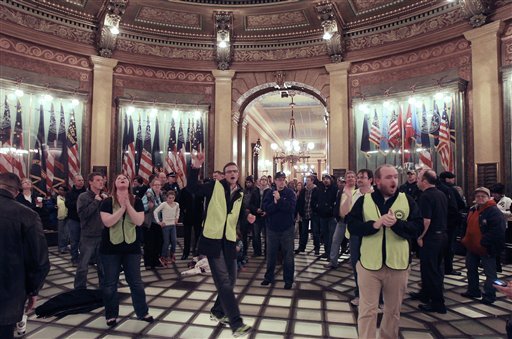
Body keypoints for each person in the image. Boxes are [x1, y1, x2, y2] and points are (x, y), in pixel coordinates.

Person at [346, 164, 422, 339]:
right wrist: (375, 224)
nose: (394, 180)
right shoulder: (364, 200)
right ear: (378, 181)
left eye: (395, 176)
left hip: (398, 265)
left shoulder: (407, 200)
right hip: (369, 265)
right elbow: (353, 226)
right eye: (389, 177)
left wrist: (397, 224)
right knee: (367, 310)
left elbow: (417, 228)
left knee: (393, 311)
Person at [188, 153, 254, 337]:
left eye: (235, 171)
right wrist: (195, 167)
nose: (232, 173)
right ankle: (236, 323)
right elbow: (192, 187)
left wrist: (248, 217)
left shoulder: (240, 193)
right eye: (229, 171)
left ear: (238, 174)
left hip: (229, 241)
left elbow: (238, 215)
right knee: (224, 282)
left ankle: (218, 311)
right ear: (224, 175)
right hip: (212, 240)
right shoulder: (214, 186)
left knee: (231, 280)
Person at [0, 173, 50, 339]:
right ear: (16, 192)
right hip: (9, 290)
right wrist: (33, 290)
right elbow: (39, 259)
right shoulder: (27, 215)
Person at [99, 174, 153, 327]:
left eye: (125, 178)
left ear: (129, 183)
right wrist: (121, 208)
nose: (122, 179)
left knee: (136, 283)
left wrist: (128, 205)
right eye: (118, 178)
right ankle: (111, 315)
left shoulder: (136, 201)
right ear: (114, 183)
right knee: (110, 284)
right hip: (110, 249)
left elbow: (139, 221)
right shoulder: (107, 202)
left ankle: (142, 312)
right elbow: (108, 222)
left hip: (132, 248)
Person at [460, 187, 506, 304]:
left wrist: (484, 242)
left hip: (486, 248)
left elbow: (498, 231)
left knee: (490, 273)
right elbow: (466, 224)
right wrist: (464, 238)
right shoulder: (473, 209)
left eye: (483, 196)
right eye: (478, 196)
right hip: (472, 247)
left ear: (488, 197)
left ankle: (489, 295)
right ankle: (473, 290)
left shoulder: (493, 211)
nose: (480, 198)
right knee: (471, 269)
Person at [412, 169, 448, 314]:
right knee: (433, 269)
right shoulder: (441, 194)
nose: (417, 181)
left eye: (419, 178)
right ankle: (425, 294)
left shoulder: (426, 196)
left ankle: (438, 303)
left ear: (425, 181)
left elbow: (426, 221)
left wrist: (420, 237)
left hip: (431, 238)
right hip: (442, 237)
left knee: (431, 271)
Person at [261, 171, 297, 289]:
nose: (281, 182)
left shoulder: (290, 193)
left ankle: (288, 280)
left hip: (287, 229)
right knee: (271, 254)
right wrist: (276, 204)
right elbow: (266, 209)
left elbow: (290, 209)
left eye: (283, 179)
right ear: (275, 181)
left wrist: (279, 200)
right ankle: (268, 277)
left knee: (288, 255)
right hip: (272, 229)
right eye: (279, 179)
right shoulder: (269, 193)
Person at [74, 172, 108, 290]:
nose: (101, 182)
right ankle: (79, 290)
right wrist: (96, 201)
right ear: (90, 182)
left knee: (103, 266)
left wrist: (106, 202)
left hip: (103, 235)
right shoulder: (83, 197)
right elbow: (83, 215)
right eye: (98, 180)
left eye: (102, 180)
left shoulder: (105, 196)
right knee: (83, 265)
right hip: (88, 236)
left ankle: (103, 290)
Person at [325, 171, 355, 269]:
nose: (350, 178)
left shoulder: (358, 190)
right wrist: (336, 214)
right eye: (348, 177)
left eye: (352, 177)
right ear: (345, 179)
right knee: (335, 240)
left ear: (355, 178)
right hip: (341, 220)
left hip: (352, 221)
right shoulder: (341, 190)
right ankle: (333, 261)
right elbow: (338, 203)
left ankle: (352, 262)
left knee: (352, 242)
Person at [312, 174, 338, 259]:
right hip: (322, 215)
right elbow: (316, 199)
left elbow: (336, 201)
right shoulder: (320, 189)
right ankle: (327, 252)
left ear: (330, 180)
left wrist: (332, 209)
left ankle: (332, 254)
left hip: (331, 216)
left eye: (327, 179)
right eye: (324, 179)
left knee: (332, 236)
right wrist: (317, 207)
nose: (325, 180)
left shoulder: (334, 189)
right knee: (325, 235)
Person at [153, 190, 180, 266]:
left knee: (174, 241)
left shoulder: (177, 204)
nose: (171, 199)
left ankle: (172, 254)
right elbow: (155, 211)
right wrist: (159, 222)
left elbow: (178, 211)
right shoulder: (164, 204)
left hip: (173, 225)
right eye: (169, 198)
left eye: (172, 198)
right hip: (165, 226)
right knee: (166, 242)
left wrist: (177, 218)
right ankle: (163, 257)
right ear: (166, 198)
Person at [142, 178, 164, 269]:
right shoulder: (148, 194)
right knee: (149, 243)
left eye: (159, 185)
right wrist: (148, 206)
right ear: (152, 186)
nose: (158, 187)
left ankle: (155, 260)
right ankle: (148, 263)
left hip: (158, 222)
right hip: (150, 223)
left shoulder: (161, 195)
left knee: (159, 242)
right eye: (156, 185)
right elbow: (142, 207)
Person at [66, 175, 86, 266]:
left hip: (85, 220)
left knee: (84, 241)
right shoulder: (69, 193)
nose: (81, 182)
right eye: (79, 180)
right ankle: (74, 258)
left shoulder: (87, 192)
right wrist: (80, 203)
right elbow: (68, 204)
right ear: (74, 182)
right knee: (74, 241)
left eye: (82, 180)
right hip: (74, 219)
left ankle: (85, 258)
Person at [249, 176, 271, 257]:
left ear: (267, 182)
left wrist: (266, 211)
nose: (264, 181)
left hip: (266, 217)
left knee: (266, 236)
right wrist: (256, 209)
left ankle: (267, 252)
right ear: (260, 181)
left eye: (265, 180)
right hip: (256, 216)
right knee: (256, 235)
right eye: (262, 180)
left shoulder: (270, 191)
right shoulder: (255, 191)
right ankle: (257, 252)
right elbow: (251, 204)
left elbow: (271, 204)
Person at [295, 175, 317, 254]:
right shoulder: (303, 190)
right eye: (306, 180)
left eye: (308, 180)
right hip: (304, 212)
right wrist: (300, 211)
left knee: (315, 231)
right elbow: (300, 202)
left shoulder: (316, 190)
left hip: (313, 213)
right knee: (303, 231)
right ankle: (301, 247)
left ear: (312, 181)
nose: (307, 182)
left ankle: (316, 248)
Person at [56, 186, 69, 254]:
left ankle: (65, 246)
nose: (60, 191)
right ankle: (61, 247)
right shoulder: (55, 197)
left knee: (67, 233)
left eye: (62, 190)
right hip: (60, 217)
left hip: (67, 216)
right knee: (61, 233)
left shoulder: (67, 197)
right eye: (59, 189)